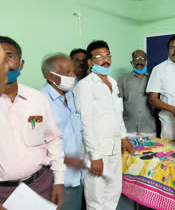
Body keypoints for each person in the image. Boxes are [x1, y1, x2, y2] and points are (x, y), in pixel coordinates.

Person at [0, 36, 65, 210]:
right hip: (3, 194)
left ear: (21, 64)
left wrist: (59, 181)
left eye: (9, 56)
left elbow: (52, 139)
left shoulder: (37, 98)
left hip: (41, 185)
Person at [73, 40, 135, 210]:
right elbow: (86, 123)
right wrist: (95, 156)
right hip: (97, 152)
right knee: (96, 201)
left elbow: (117, 115)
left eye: (107, 55)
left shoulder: (113, 83)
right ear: (90, 62)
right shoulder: (85, 86)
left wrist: (124, 137)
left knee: (113, 194)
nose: (105, 59)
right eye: (99, 56)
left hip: (114, 149)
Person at [40, 53, 84, 210]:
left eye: (72, 72)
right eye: (67, 73)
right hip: (56, 180)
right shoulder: (40, 102)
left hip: (77, 177)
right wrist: (70, 160)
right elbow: (38, 146)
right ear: (51, 76)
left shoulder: (70, 96)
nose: (72, 76)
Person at [117, 50, 156, 137]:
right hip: (128, 129)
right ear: (132, 62)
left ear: (146, 61)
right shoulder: (123, 80)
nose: (139, 61)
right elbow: (117, 105)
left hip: (149, 129)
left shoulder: (153, 79)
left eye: (142, 59)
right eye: (136, 58)